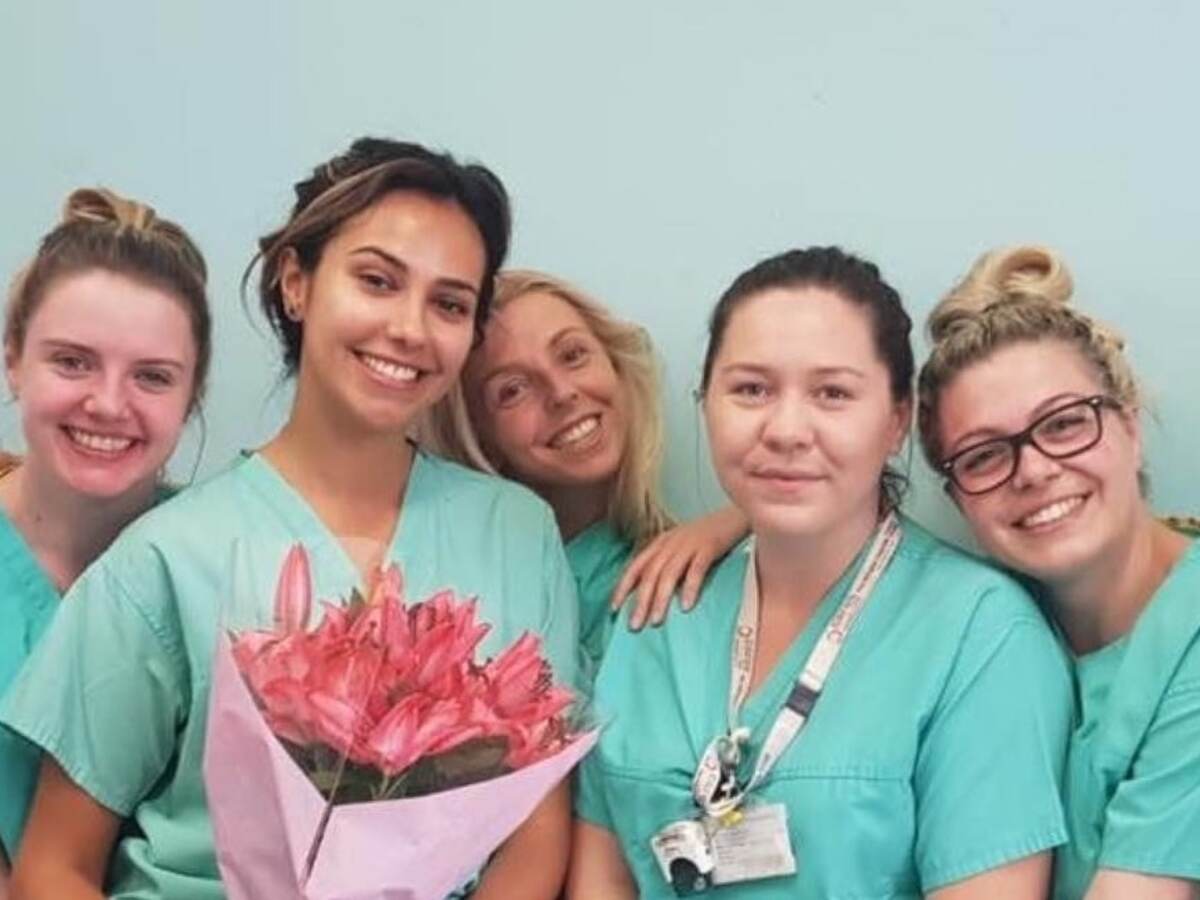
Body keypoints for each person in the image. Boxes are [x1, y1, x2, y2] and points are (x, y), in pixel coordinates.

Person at [1, 138, 579, 899]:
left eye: (449, 304)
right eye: (376, 280)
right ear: (297, 282)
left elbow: (538, 830)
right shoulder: (165, 562)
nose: (410, 328)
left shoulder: (516, 535)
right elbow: (55, 867)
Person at [569, 246, 1073, 898]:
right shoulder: (656, 607)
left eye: (832, 393)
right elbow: (600, 877)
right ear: (706, 404)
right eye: (750, 390)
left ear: (895, 422)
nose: (785, 429)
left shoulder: (980, 635)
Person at [916, 245, 1200, 898]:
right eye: (985, 455)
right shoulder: (980, 632)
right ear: (959, 498)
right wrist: (740, 525)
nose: (1036, 470)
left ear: (1130, 427)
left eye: (1066, 424)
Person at [0, 187, 211, 881]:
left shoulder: (224, 565)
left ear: (193, 396)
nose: (109, 404)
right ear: (12, 360)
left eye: (152, 376)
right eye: (72, 362)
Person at [425, 269, 746, 668]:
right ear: (478, 436)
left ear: (615, 365)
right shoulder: (457, 592)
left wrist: (751, 518)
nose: (561, 393)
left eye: (573, 355)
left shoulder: (691, 574)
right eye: (512, 390)